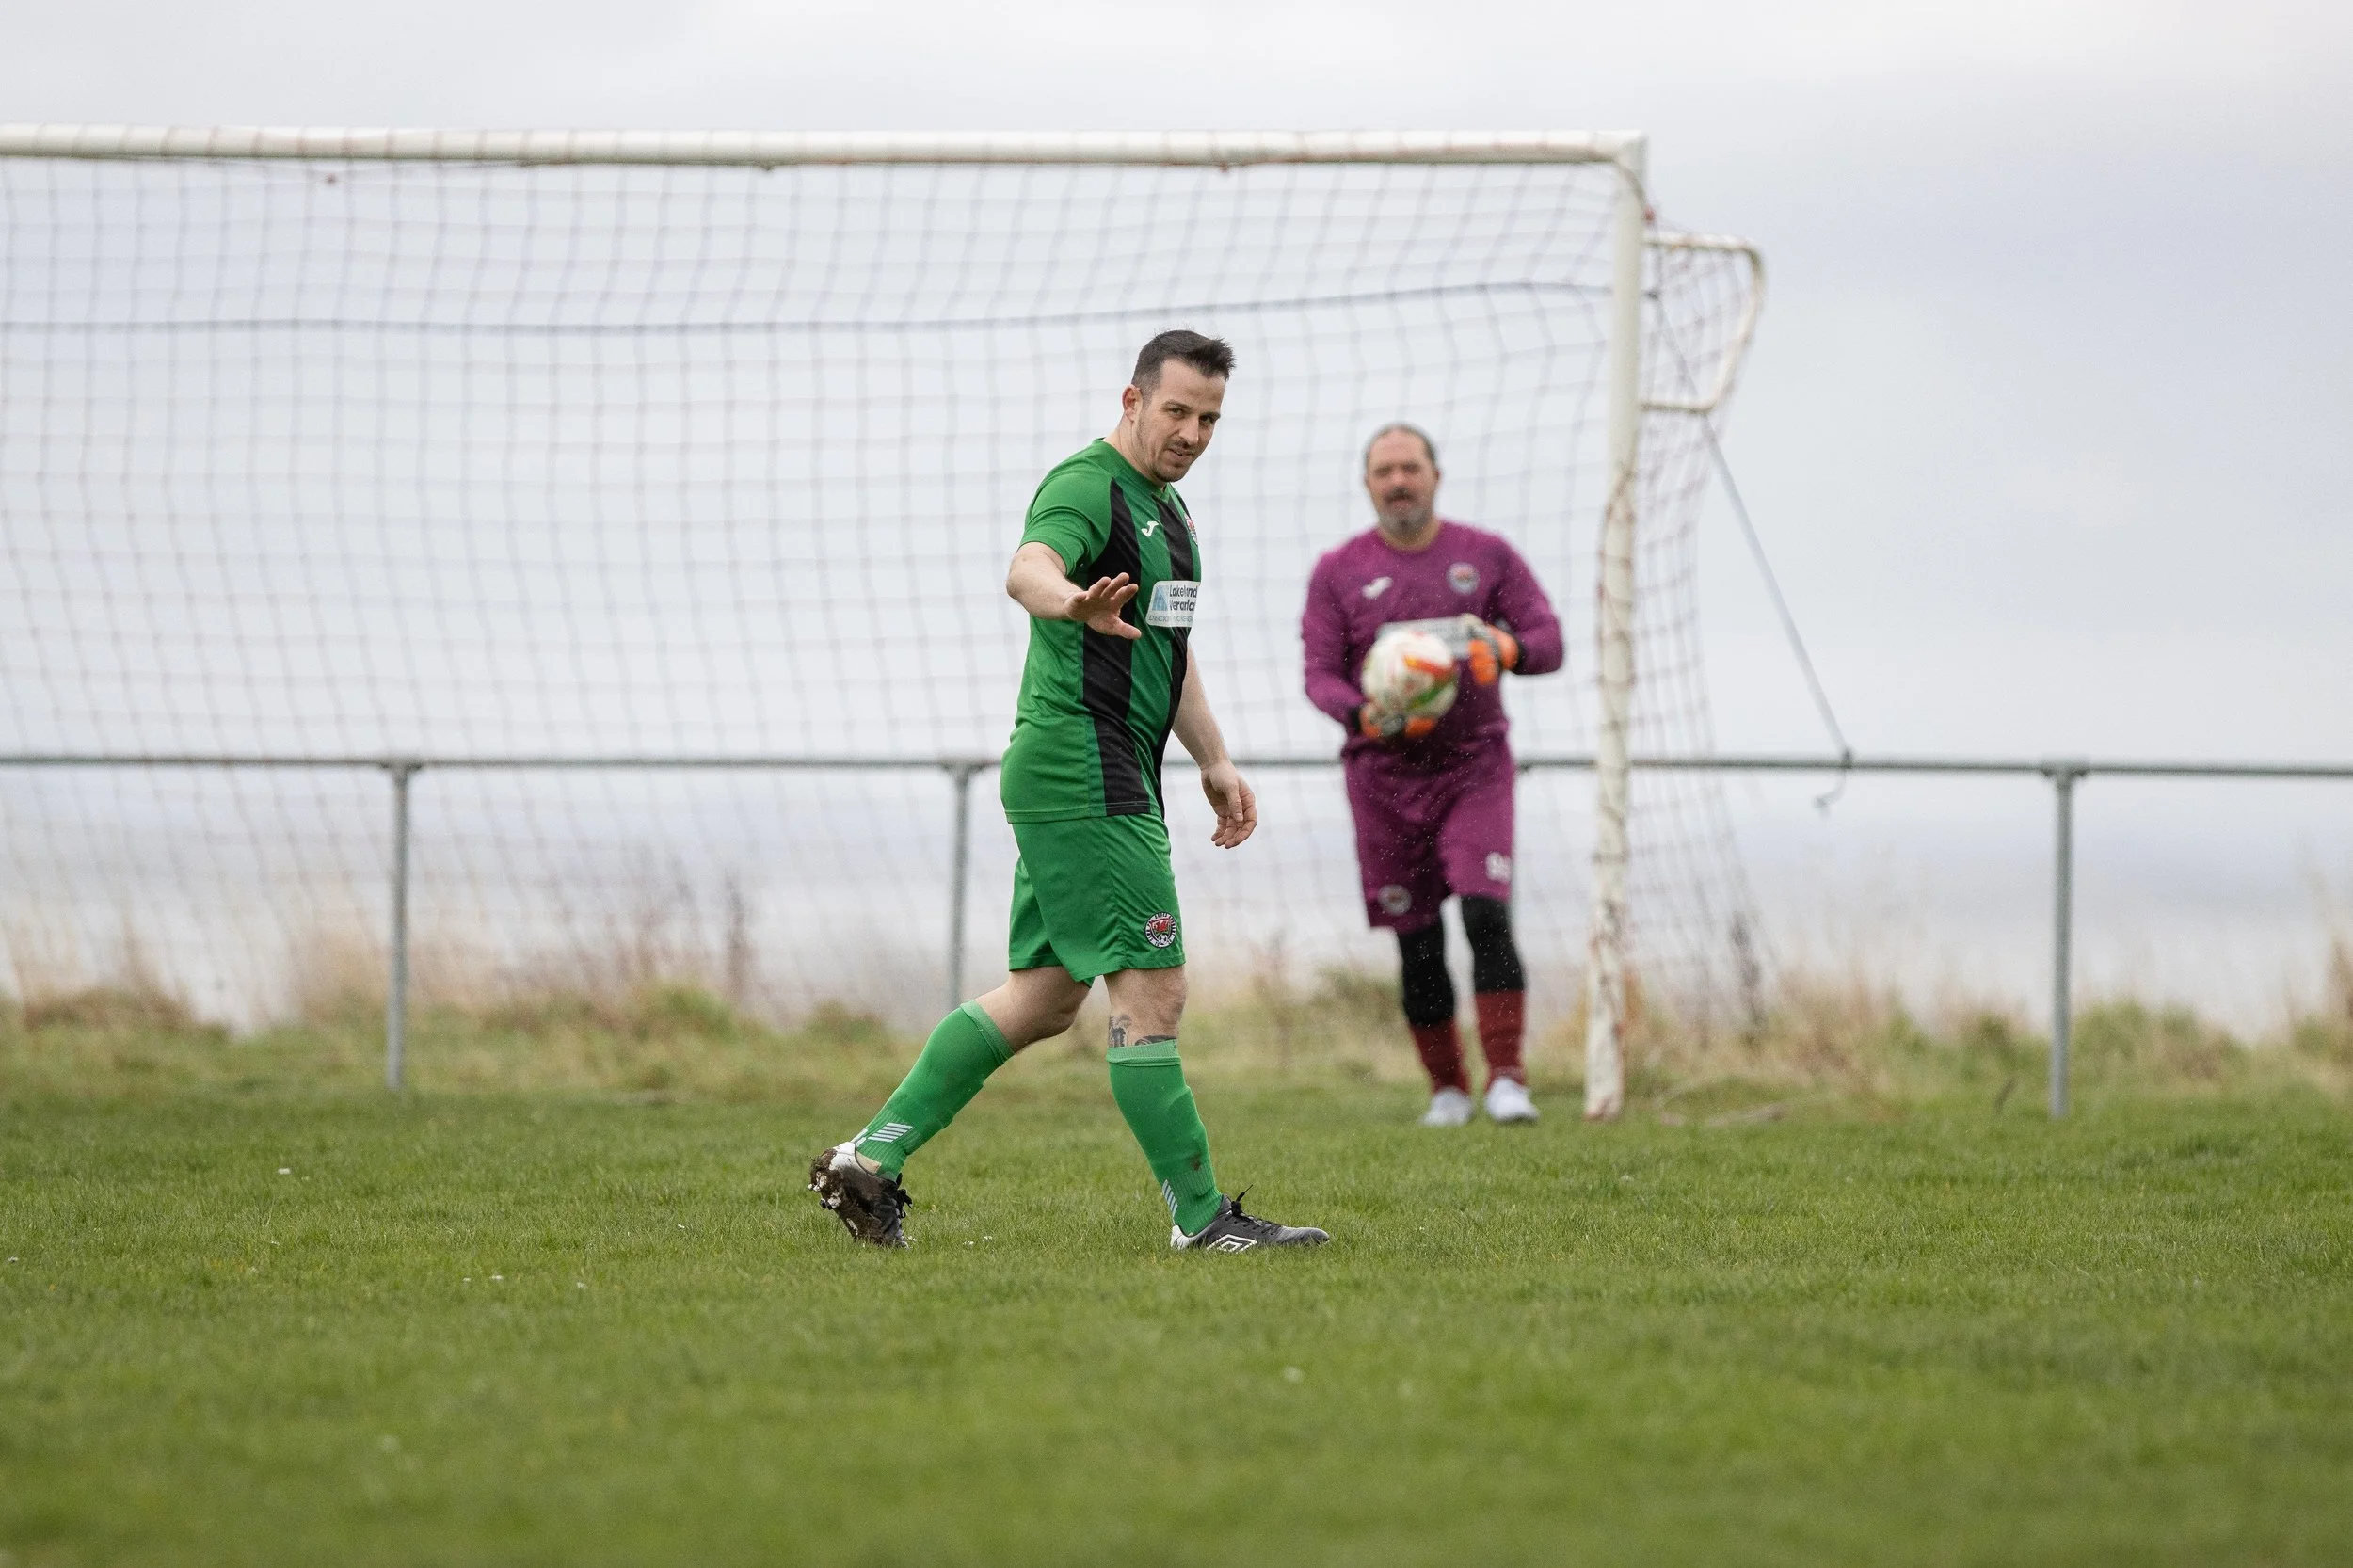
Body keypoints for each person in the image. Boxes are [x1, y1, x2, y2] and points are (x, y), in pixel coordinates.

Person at [808, 330, 1330, 1252]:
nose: (1192, 431)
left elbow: (1171, 648)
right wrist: (1067, 601)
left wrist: (1212, 758)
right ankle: (1204, 1220)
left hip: (1094, 765)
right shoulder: (1088, 486)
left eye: (1209, 417)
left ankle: (868, 1158)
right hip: (1082, 763)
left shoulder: (1172, 514)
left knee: (1047, 994)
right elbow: (1028, 567)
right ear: (1130, 401)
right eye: (1176, 410)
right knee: (1152, 989)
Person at [1300, 424, 1564, 1126]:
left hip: (1474, 766)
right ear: (1367, 484)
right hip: (1383, 779)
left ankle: (1507, 1079)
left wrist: (1503, 647)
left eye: (1410, 468)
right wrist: (1367, 716)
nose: (1398, 482)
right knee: (1415, 937)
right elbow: (1319, 677)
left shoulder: (1486, 556)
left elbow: (1548, 641)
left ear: (1436, 475)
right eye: (1384, 471)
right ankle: (1447, 1089)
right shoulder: (1338, 572)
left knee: (1484, 910)